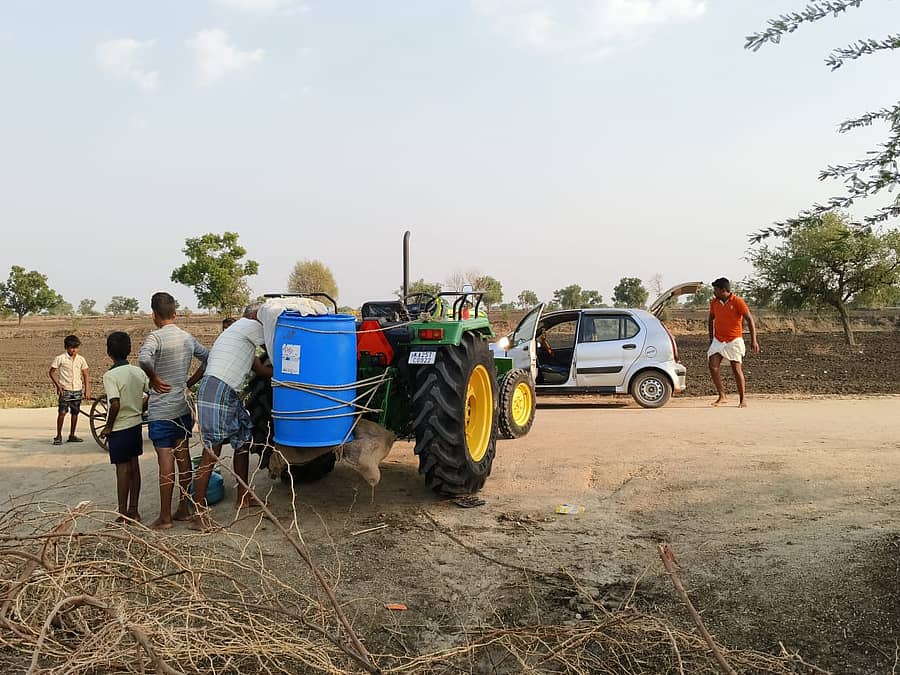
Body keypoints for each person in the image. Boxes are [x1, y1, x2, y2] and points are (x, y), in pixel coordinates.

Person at [192, 304, 271, 529]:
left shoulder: (239, 337)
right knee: (212, 452)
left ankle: (243, 497)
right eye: (263, 317)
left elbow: (263, 371)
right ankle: (197, 514)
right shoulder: (248, 326)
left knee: (243, 441)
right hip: (218, 388)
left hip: (226, 390)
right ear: (255, 316)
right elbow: (277, 340)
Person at [138, 292, 209, 530]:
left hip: (161, 410)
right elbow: (208, 358)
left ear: (154, 315)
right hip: (183, 408)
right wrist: (189, 382)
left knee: (165, 461)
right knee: (183, 456)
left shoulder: (155, 338)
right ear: (175, 314)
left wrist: (154, 377)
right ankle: (184, 508)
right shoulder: (187, 338)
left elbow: (143, 360)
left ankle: (165, 517)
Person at [99, 332, 149, 522]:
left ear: (109, 352)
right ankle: (134, 511)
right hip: (135, 424)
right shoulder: (138, 372)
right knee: (134, 467)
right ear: (129, 350)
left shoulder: (110, 376)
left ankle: (121, 514)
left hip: (119, 428)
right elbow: (151, 393)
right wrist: (140, 409)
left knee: (122, 470)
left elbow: (115, 404)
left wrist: (108, 427)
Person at [707, 278, 760, 408]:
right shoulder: (714, 303)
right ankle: (722, 396)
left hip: (734, 340)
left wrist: (754, 340)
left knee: (736, 369)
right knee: (713, 365)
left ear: (723, 290)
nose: (714, 292)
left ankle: (742, 399)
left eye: (716, 289)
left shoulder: (738, 302)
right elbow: (710, 319)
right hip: (719, 339)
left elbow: (749, 320)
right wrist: (711, 338)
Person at [49, 335, 91, 445]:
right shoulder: (60, 358)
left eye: (76, 347)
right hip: (65, 390)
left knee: (75, 413)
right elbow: (52, 372)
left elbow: (86, 375)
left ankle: (72, 435)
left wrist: (87, 390)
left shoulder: (81, 359)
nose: (74, 350)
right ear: (66, 347)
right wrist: (58, 385)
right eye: (71, 347)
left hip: (77, 389)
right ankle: (58, 436)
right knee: (62, 413)